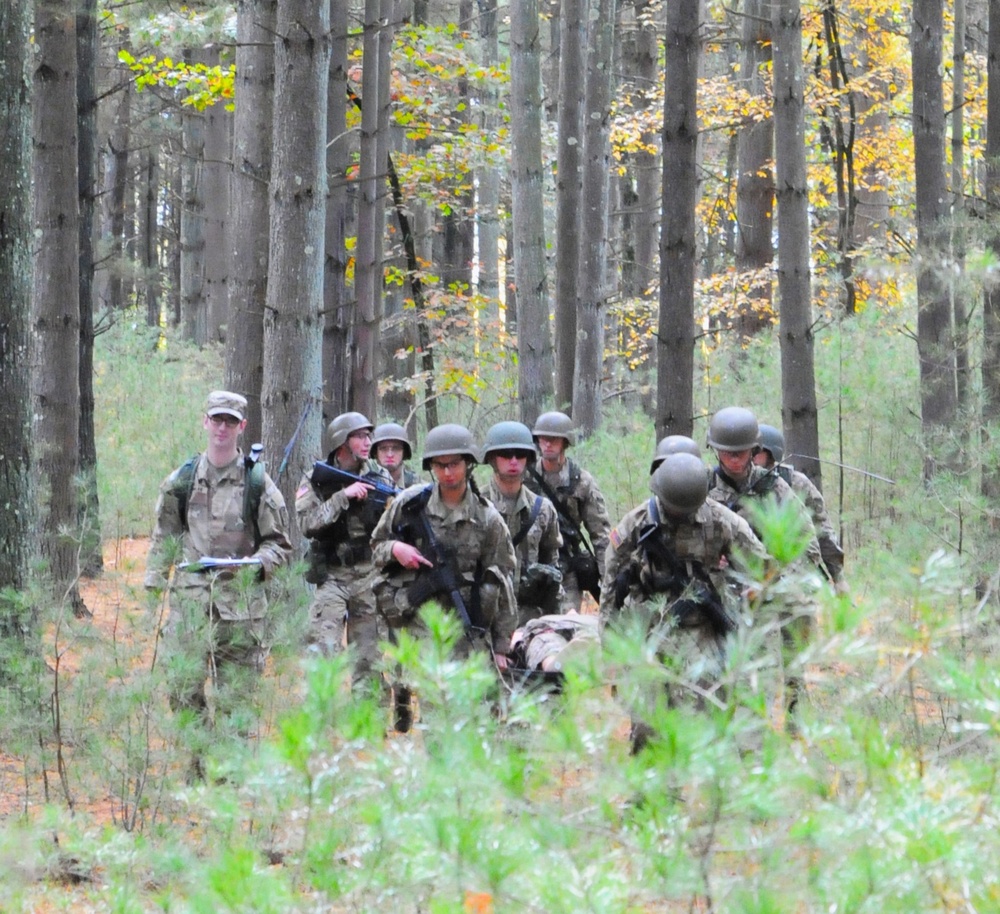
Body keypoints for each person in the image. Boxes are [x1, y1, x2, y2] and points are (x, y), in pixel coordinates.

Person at [144, 390, 293, 775]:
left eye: (230, 421)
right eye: (217, 419)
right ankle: (195, 766)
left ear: (242, 427)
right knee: (181, 688)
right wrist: (152, 589)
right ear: (205, 422)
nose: (222, 428)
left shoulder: (258, 483)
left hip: (241, 611)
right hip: (191, 607)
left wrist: (256, 565)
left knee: (236, 697)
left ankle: (228, 780)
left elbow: (279, 544)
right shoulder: (182, 479)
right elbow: (164, 537)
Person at [599, 452, 770, 751]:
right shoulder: (638, 523)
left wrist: (742, 596)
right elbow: (611, 584)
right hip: (648, 630)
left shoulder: (721, 521)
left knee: (709, 712)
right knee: (647, 722)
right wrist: (610, 645)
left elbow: (763, 567)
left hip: (702, 630)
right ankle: (651, 793)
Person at [370, 423, 517, 731]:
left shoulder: (487, 518)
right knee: (437, 711)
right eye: (440, 465)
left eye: (455, 464)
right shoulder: (409, 504)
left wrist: (502, 645)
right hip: (423, 625)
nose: (448, 472)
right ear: (431, 467)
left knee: (476, 714)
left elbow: (502, 578)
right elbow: (376, 546)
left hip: (469, 626)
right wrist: (396, 548)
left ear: (468, 464)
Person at [705, 406, 821, 726]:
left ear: (755, 450)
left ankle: (769, 728)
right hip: (717, 592)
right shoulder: (701, 487)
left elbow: (807, 544)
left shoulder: (774, 487)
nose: (735, 459)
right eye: (727, 453)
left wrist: (774, 580)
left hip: (767, 595)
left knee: (771, 667)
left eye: (741, 452)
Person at [295, 411, 393, 694]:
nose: (367, 442)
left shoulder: (379, 475)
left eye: (368, 435)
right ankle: (315, 723)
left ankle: (367, 725)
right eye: (359, 436)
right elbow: (307, 524)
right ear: (341, 442)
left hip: (368, 577)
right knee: (322, 651)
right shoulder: (315, 479)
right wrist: (342, 497)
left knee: (368, 658)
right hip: (332, 578)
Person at [482, 420, 564, 626]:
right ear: (492, 458)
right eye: (505, 454)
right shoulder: (477, 505)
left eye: (519, 455)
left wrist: (557, 620)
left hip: (530, 619)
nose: (513, 461)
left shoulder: (543, 509)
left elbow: (552, 569)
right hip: (484, 618)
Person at [529, 411, 611, 611]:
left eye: (553, 440)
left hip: (566, 570)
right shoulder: (525, 478)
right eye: (543, 439)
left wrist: (609, 581)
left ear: (565, 442)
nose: (547, 444)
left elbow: (600, 535)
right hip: (530, 569)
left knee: (566, 628)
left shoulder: (581, 481)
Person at [755, 423, 847, 594]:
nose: (750, 457)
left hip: (794, 572)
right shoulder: (736, 483)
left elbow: (822, 531)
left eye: (756, 452)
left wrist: (838, 578)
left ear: (771, 454)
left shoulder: (796, 483)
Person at [508, 609, 599, 678]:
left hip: (557, 627)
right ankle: (556, 665)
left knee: (548, 645)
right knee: (548, 646)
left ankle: (556, 664)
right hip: (549, 630)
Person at [372, 422, 420, 488]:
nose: (389, 454)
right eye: (383, 449)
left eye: (396, 448)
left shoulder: (416, 484)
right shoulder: (367, 481)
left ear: (404, 452)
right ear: (375, 453)